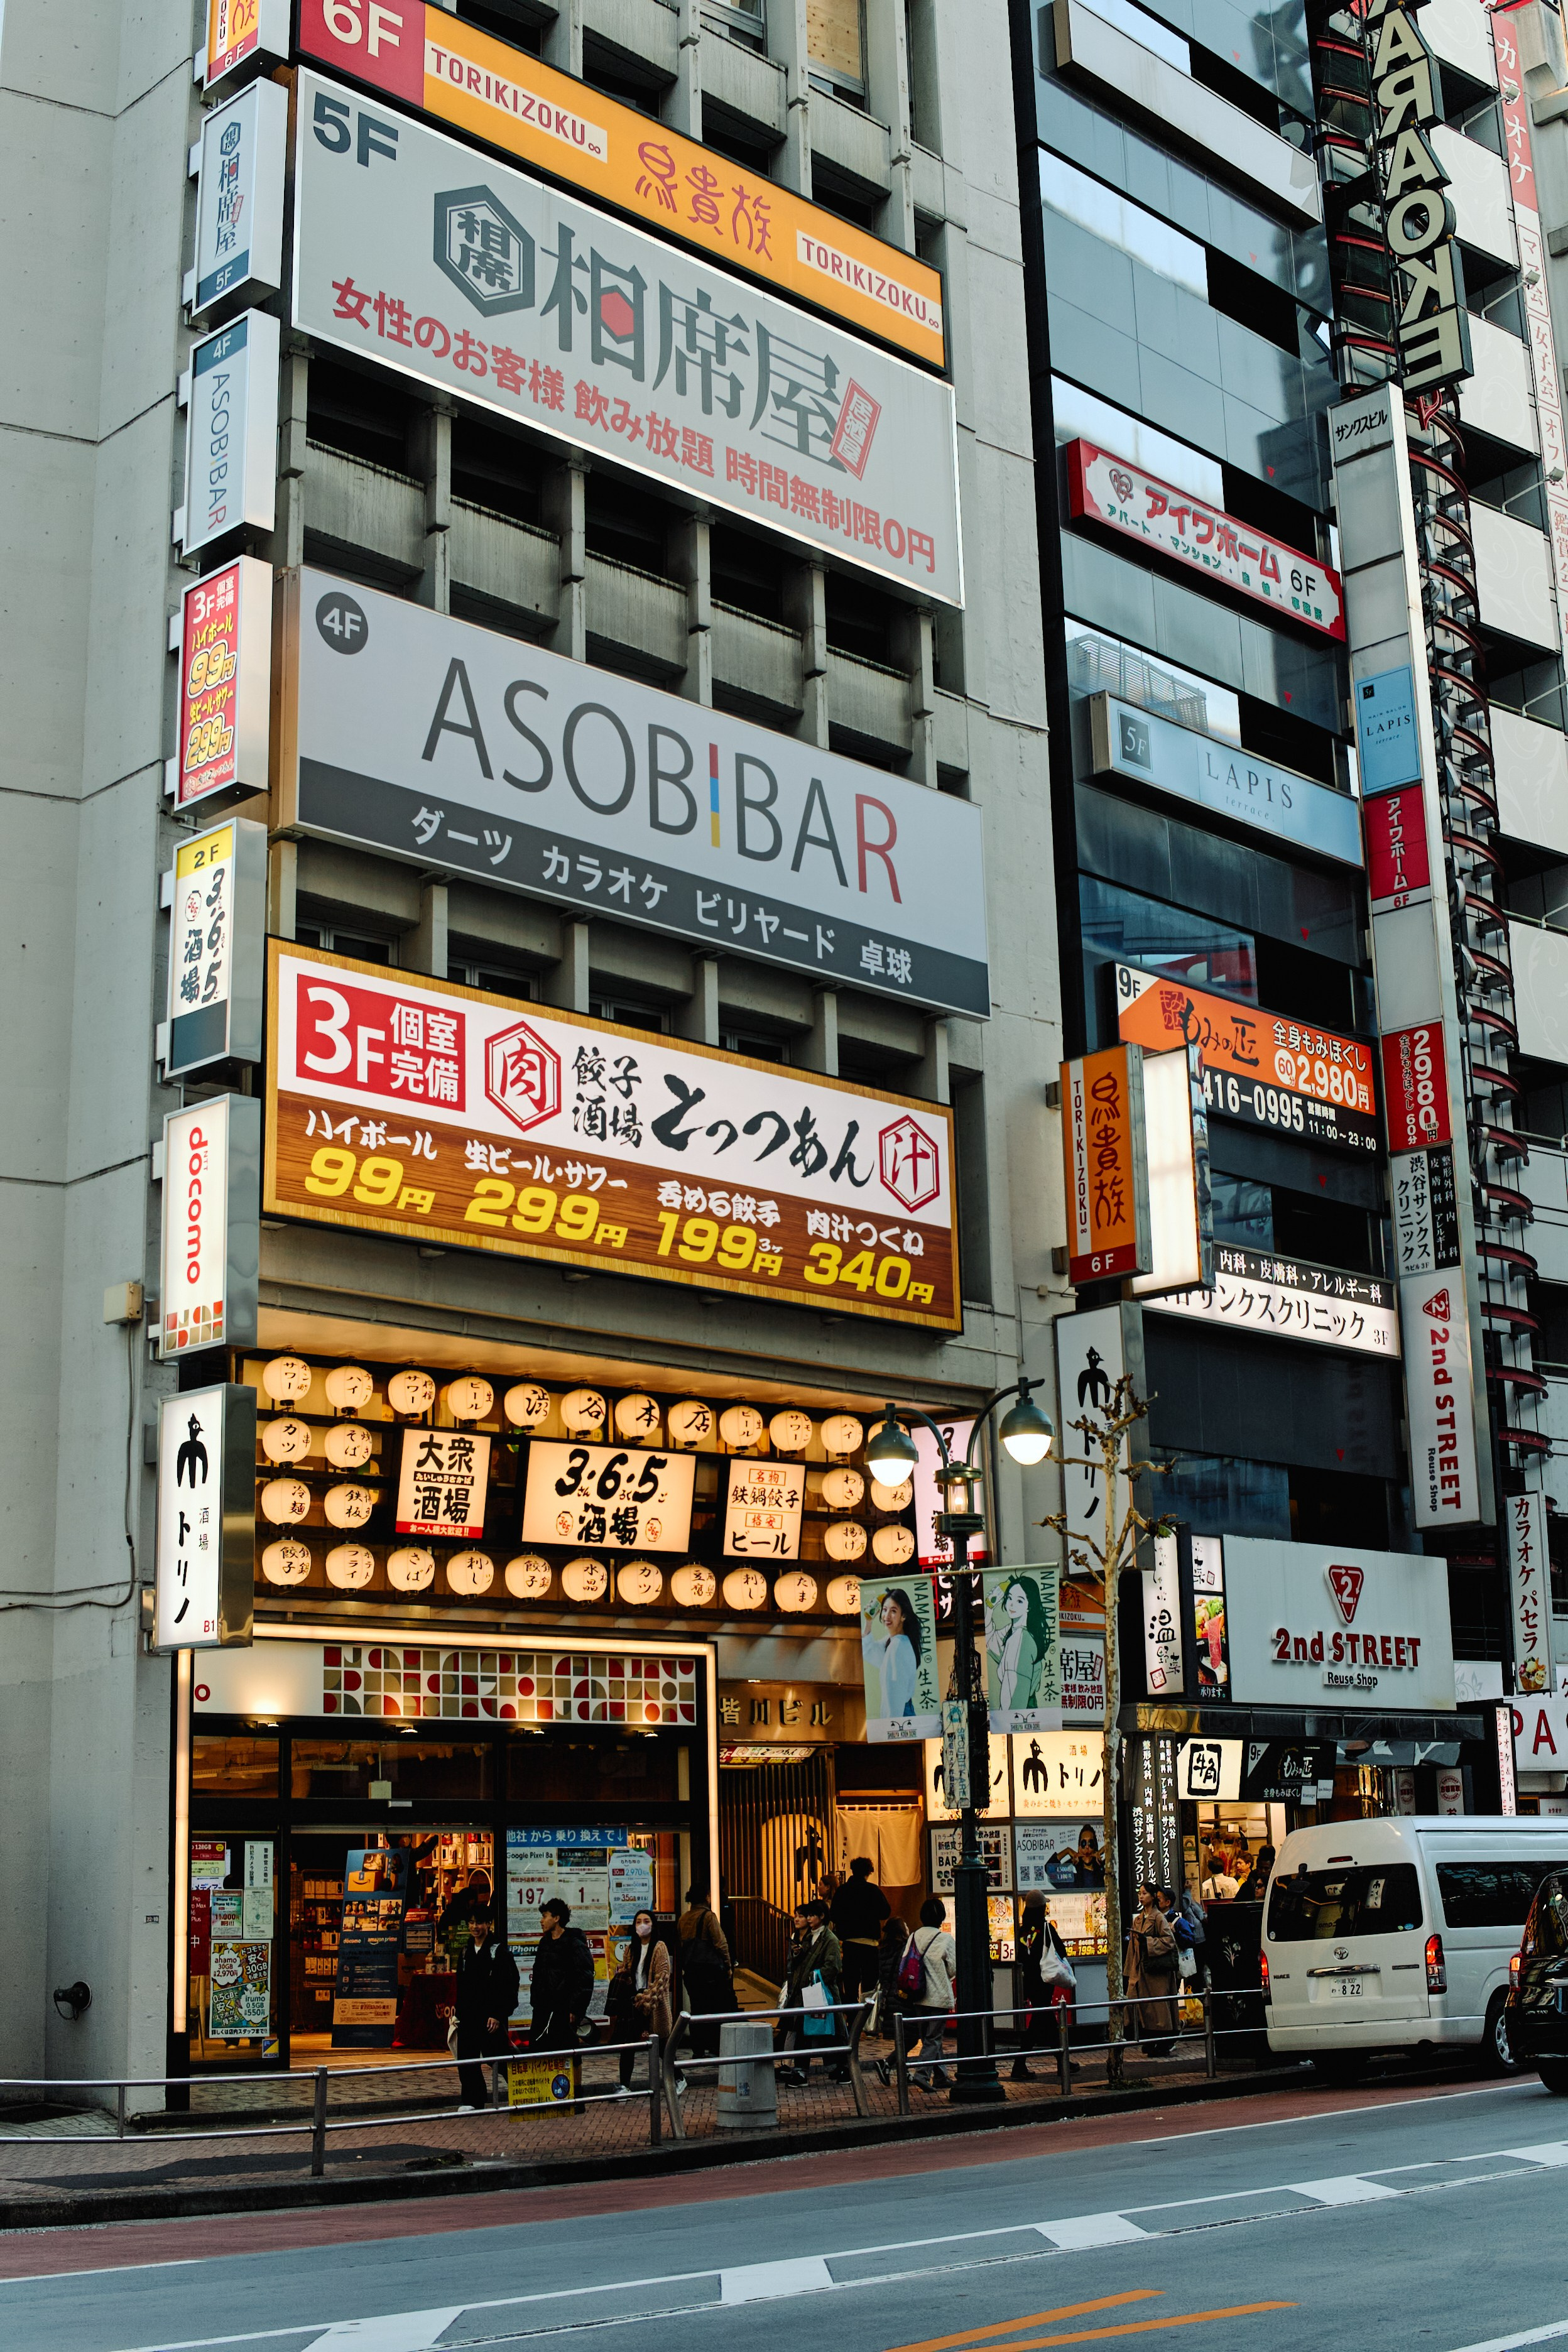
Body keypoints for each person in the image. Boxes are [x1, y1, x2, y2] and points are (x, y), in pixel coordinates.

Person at [453, 1908, 519, 2111]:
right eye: (471, 1923)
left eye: (479, 1923)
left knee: (499, 2055)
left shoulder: (498, 1951)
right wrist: (458, 2014)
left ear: (489, 1924)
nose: (475, 1927)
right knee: (467, 2060)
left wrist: (499, 2014)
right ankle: (473, 2101)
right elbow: (461, 1984)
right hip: (468, 2015)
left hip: (490, 2017)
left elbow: (510, 1983)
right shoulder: (465, 1952)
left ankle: (524, 2088)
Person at [778, 1897, 847, 2083]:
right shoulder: (809, 1937)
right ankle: (804, 2070)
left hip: (822, 1993)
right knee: (805, 2030)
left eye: (811, 1915)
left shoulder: (829, 1939)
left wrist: (812, 1977)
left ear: (821, 1917)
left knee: (829, 2031)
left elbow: (833, 1967)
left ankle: (841, 2067)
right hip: (805, 1992)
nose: (808, 1919)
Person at [605, 1909, 672, 2091]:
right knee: (628, 2045)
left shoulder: (660, 1947)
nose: (642, 1925)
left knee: (661, 2048)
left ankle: (678, 2078)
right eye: (639, 1922)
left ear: (653, 1924)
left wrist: (646, 1999)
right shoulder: (631, 1949)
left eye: (647, 1921)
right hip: (635, 2003)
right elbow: (628, 1972)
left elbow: (663, 1978)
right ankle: (625, 2086)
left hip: (652, 2004)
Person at [1013, 1890, 1076, 2081]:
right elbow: (1061, 1951)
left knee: (1044, 2019)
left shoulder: (1023, 1931)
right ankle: (1020, 2064)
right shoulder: (1047, 1928)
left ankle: (1061, 2060)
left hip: (1030, 1980)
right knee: (1041, 2020)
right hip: (1044, 1979)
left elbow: (1022, 1956)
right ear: (1042, 1908)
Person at [902, 1895, 957, 2093]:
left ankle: (942, 2076)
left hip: (918, 1994)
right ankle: (922, 2074)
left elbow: (905, 1961)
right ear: (941, 1917)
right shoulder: (945, 1939)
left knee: (929, 2038)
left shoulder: (914, 1936)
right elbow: (953, 1968)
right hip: (939, 1996)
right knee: (933, 2038)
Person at [527, 1897, 594, 2054]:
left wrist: (577, 2009)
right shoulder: (544, 1943)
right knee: (539, 2051)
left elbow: (585, 1978)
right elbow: (537, 1974)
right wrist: (535, 2000)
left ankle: (574, 2081)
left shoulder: (574, 1943)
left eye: (545, 1916)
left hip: (564, 2010)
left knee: (569, 2055)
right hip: (542, 2009)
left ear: (556, 1918)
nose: (541, 1921)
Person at [677, 1885, 734, 2059]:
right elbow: (720, 1942)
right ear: (707, 1897)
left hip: (692, 1972)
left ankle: (698, 2049)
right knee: (715, 2009)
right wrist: (729, 1964)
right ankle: (714, 2047)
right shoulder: (708, 1916)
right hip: (710, 1972)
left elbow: (681, 1945)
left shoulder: (683, 1919)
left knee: (697, 2009)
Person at [1124, 1882, 1179, 2054]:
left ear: (1153, 1897)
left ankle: (1163, 2044)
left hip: (1157, 1973)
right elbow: (1132, 1949)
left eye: (1145, 1893)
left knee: (1158, 2009)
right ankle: (1150, 2040)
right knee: (1139, 2006)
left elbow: (1169, 1941)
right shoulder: (1138, 1919)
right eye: (1139, 1893)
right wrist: (1128, 1972)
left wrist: (1147, 1942)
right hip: (1140, 1971)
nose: (1141, 1896)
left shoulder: (1159, 1918)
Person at [830, 1856, 891, 2006]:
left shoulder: (842, 1890)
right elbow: (885, 1912)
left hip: (849, 1944)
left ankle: (852, 2021)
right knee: (869, 1986)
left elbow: (833, 1915)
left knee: (850, 1985)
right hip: (870, 1945)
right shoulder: (873, 1890)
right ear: (868, 1872)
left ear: (852, 1870)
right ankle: (868, 2021)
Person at [986, 1575, 1049, 1715]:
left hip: (1018, 1713)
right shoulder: (1013, 1631)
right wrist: (990, 1609)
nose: (1012, 1605)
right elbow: (990, 1642)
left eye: (1020, 1601)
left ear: (1029, 1606)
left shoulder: (1020, 1637)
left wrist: (1006, 1719)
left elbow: (1014, 1687)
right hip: (1022, 1713)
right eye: (1009, 1598)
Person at [861, 1587, 922, 1721]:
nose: (886, 1616)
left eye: (893, 1611)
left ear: (903, 1616)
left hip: (899, 1716)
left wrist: (889, 1728)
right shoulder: (897, 1640)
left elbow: (893, 1697)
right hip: (904, 1713)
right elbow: (869, 1651)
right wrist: (869, 1622)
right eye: (884, 1609)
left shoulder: (897, 1646)